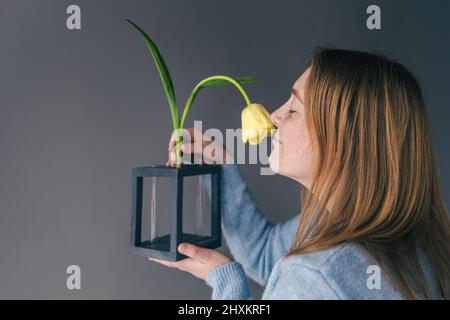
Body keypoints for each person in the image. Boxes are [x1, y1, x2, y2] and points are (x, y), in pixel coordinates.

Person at [149, 48, 450, 300]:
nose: (275, 115)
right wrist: (221, 166)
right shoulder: (415, 239)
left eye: (294, 109)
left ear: (344, 139)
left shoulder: (314, 275)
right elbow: (265, 254)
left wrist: (230, 289)